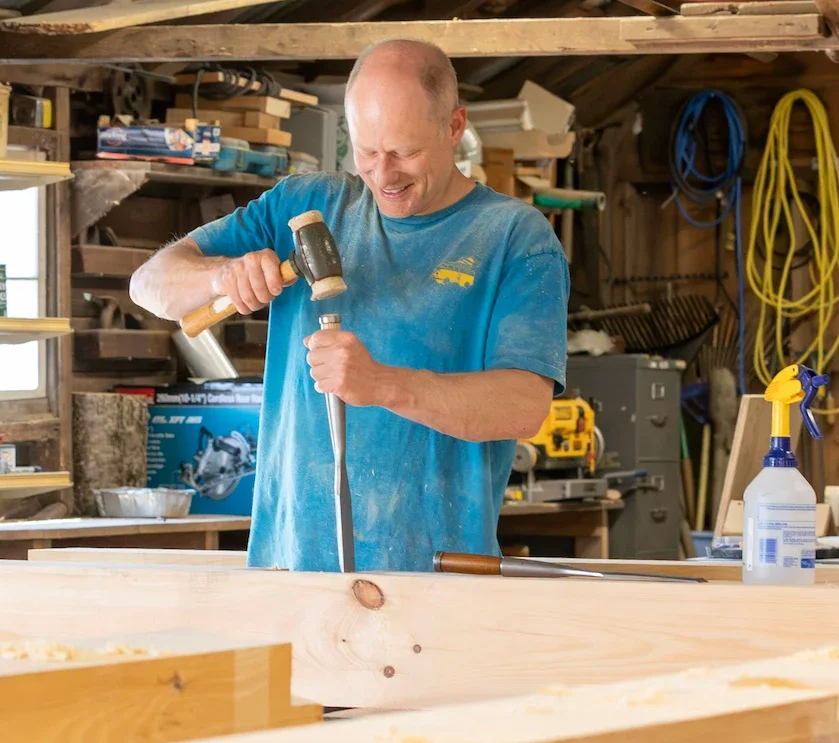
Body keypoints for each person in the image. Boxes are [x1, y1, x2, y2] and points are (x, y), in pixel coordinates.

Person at [130, 39, 569, 574]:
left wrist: (382, 385)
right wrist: (221, 274)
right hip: (290, 568)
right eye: (366, 151)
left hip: (437, 574)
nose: (383, 175)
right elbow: (149, 284)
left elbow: (523, 406)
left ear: (454, 128)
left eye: (405, 152)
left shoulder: (514, 238)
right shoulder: (303, 205)